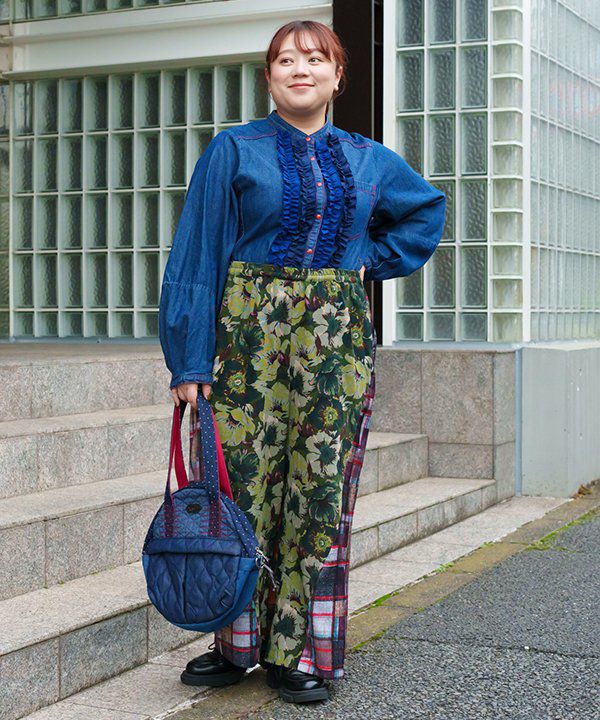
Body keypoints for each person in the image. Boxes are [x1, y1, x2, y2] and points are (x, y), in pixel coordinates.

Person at [158, 19, 446, 704]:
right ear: (269, 78)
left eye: (315, 59)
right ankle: (235, 645)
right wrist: (189, 361)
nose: (300, 69)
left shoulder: (370, 159)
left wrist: (369, 262)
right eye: (286, 60)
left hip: (336, 347)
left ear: (337, 77)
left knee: (318, 492)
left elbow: (425, 213)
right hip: (244, 343)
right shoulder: (233, 150)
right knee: (239, 487)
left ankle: (298, 649)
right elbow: (196, 255)